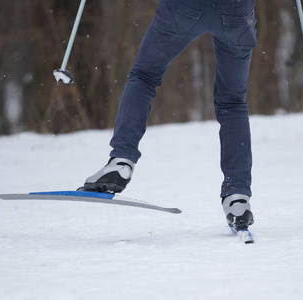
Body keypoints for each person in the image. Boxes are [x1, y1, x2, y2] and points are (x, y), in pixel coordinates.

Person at [83, 0, 257, 231]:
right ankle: (237, 197)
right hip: (236, 11)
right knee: (233, 102)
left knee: (144, 76)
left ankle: (122, 160)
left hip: (185, 7)